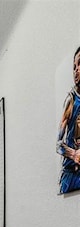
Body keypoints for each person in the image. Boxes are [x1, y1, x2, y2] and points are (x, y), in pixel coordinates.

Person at [56, 46, 80, 194]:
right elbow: (58, 144)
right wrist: (74, 154)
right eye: (73, 67)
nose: (76, 70)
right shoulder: (71, 101)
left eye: (79, 64)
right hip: (70, 175)